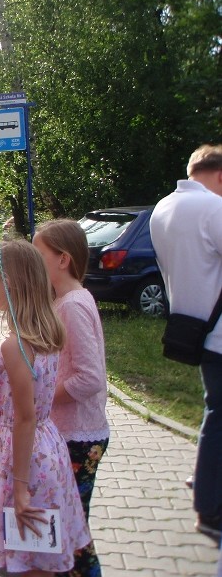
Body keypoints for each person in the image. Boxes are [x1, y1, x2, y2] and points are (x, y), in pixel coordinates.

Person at [0, 240, 92, 575]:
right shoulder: (47, 333)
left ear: (10, 284)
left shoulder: (15, 347)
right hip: (48, 450)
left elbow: (25, 418)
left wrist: (19, 487)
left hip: (26, 464)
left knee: (31, 562)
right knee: (41, 557)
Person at [150, 143, 222, 543]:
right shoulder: (213, 208)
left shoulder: (164, 207)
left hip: (190, 326)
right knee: (218, 418)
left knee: (214, 413)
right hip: (217, 332)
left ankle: (204, 481)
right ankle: (209, 508)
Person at [33, 220, 110, 577]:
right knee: (67, 528)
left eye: (39, 254)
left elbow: (89, 377)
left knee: (73, 535)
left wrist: (43, 400)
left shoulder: (73, 305)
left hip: (80, 437)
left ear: (63, 259)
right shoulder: (64, 300)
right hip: (69, 434)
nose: (35, 261)